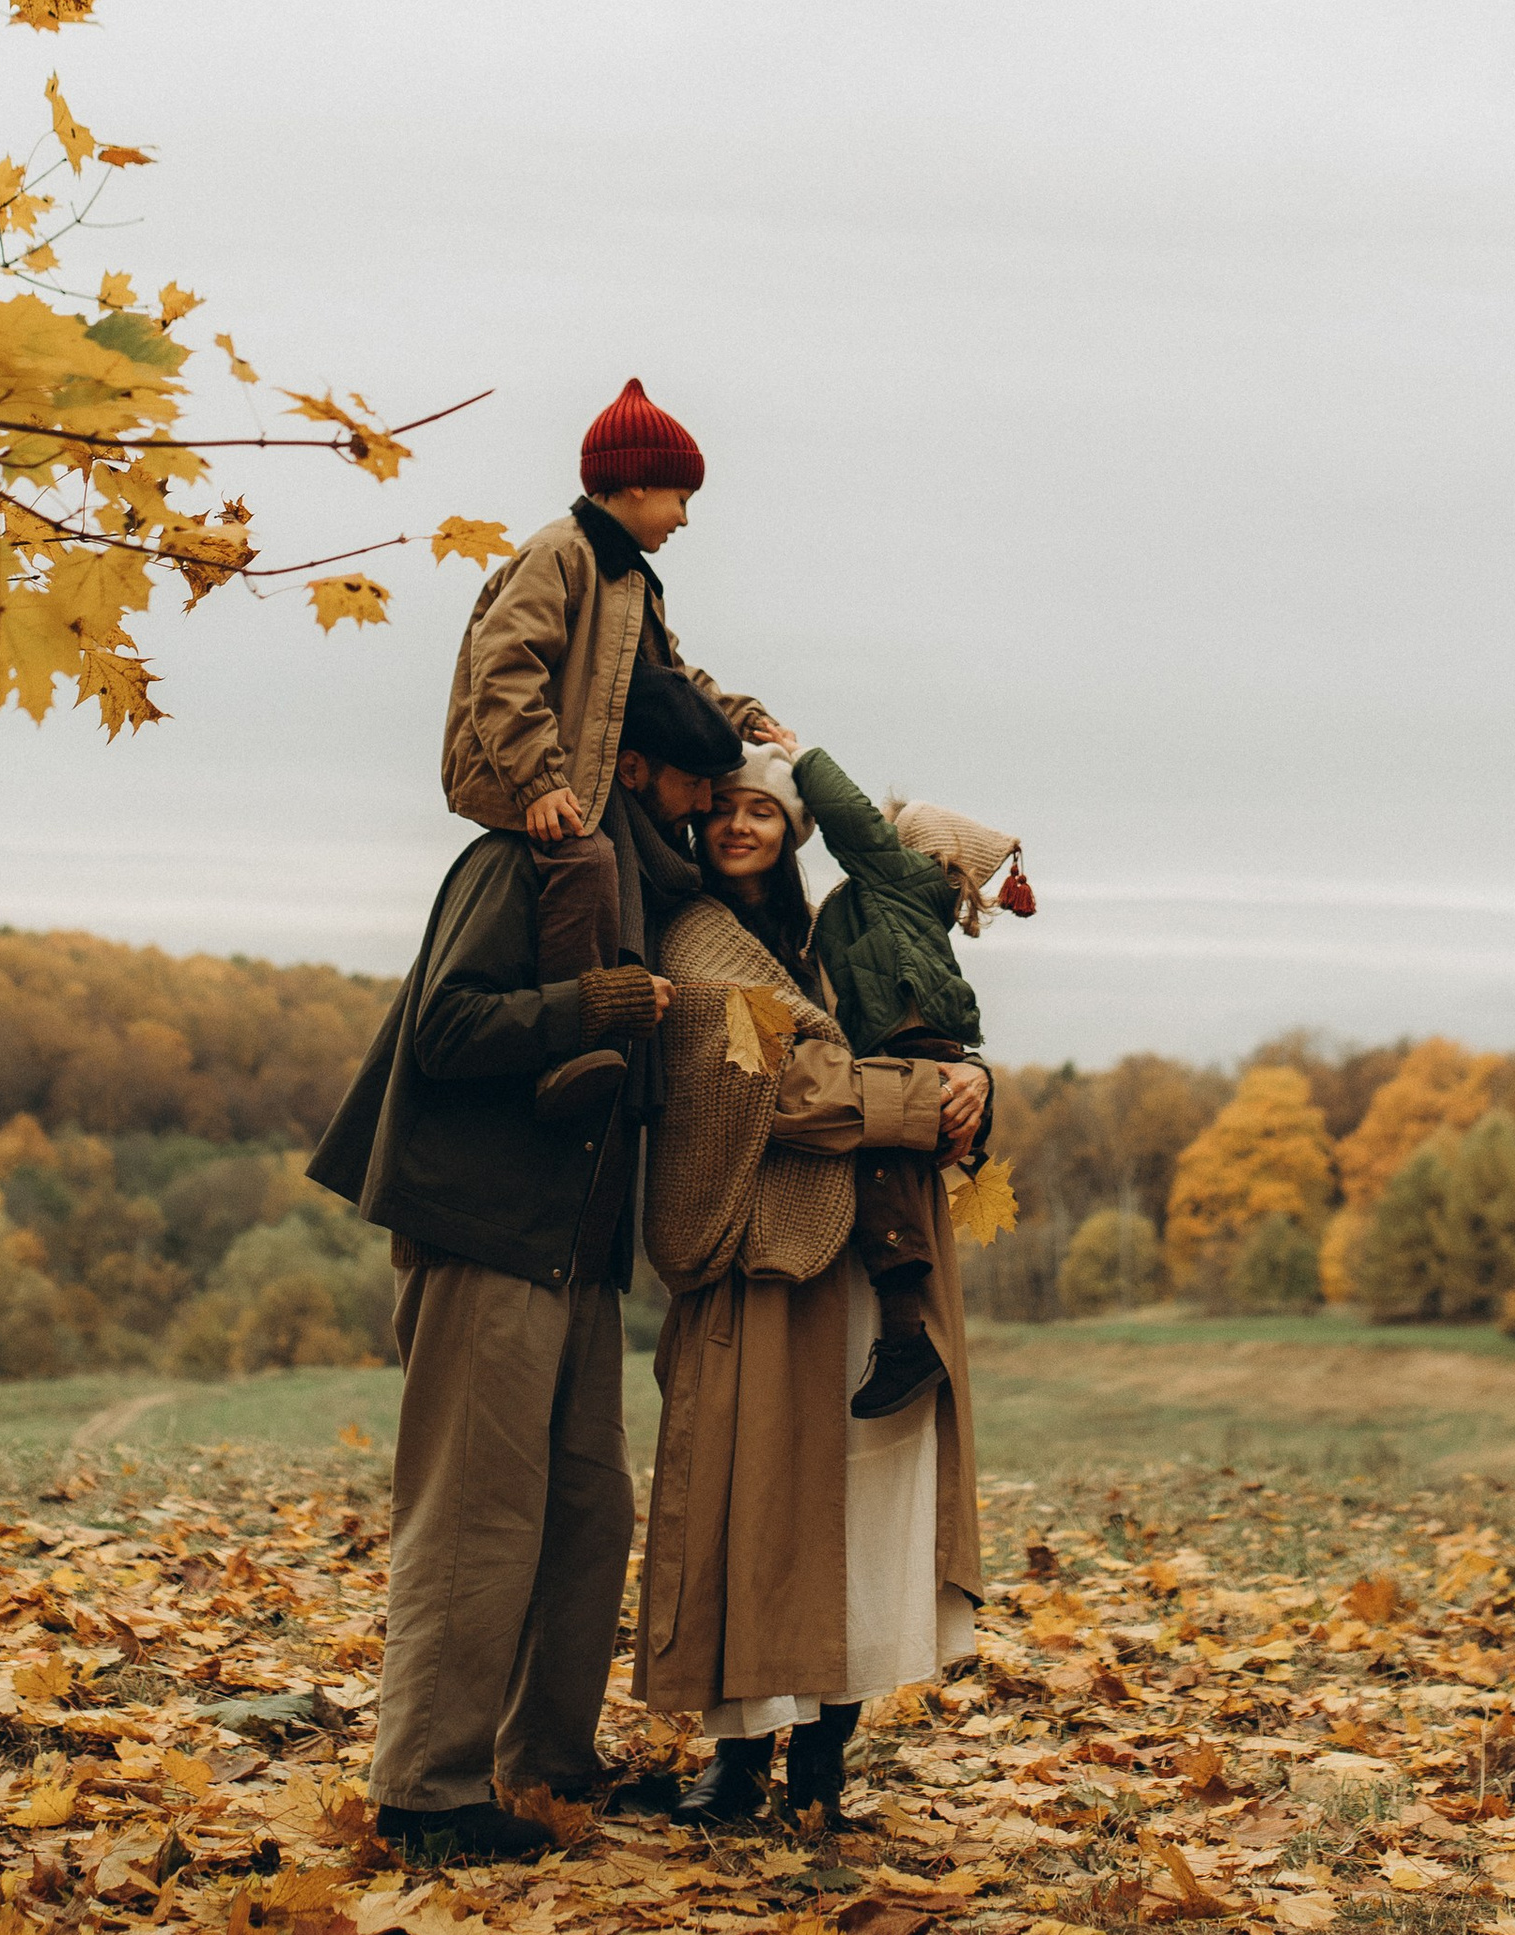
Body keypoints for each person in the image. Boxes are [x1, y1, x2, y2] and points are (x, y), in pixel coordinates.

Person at [311, 662, 748, 1862]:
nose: (709, 805)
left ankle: (544, 1762)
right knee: (473, 1513)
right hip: (486, 1225)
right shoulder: (515, 861)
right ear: (638, 767)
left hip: (577, 1248)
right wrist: (587, 1006)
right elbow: (444, 1027)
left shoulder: (648, 888)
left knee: (587, 1507)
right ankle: (424, 1791)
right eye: (695, 779)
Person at [631, 755, 989, 1830]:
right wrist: (936, 1094)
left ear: (792, 830)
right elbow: (786, 1087)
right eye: (726, 808)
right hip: (762, 1256)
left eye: (764, 811)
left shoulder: (832, 935)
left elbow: (911, 1035)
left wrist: (975, 1078)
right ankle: (736, 1760)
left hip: (867, 1262)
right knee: (752, 1499)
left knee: (859, 1500)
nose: (740, 826)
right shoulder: (699, 939)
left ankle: (825, 1755)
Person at [441, 377, 793, 1132]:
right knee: (587, 862)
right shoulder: (558, 557)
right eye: (680, 498)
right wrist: (537, 780)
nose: (685, 518)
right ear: (634, 484)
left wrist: (743, 715)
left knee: (612, 864)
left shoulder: (629, 578)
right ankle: (569, 1053)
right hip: (527, 776)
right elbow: (504, 668)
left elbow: (673, 679)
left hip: (573, 780)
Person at [794, 750, 1034, 1420]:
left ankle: (904, 1334)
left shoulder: (896, 878)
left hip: (906, 1049)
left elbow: (849, 821)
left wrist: (800, 756)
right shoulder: (890, 903)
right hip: (913, 1047)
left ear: (913, 850)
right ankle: (902, 1329)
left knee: (882, 1175)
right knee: (889, 1174)